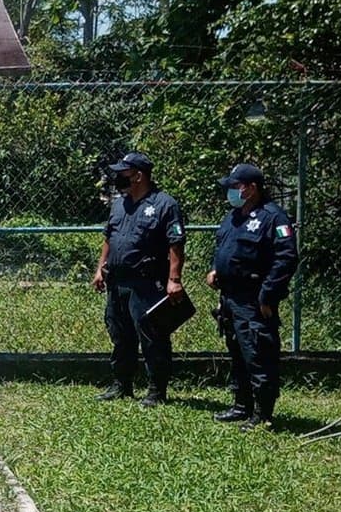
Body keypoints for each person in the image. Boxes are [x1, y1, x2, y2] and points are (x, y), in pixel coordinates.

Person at [207, 163, 298, 431]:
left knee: (258, 354)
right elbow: (224, 248)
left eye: (236, 187)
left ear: (252, 188)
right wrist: (215, 270)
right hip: (230, 298)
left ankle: (263, 413)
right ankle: (240, 405)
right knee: (238, 353)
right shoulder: (233, 217)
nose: (231, 192)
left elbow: (286, 259)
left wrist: (268, 295)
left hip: (254, 299)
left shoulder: (274, 218)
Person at [91, 152, 187, 407]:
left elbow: (176, 244)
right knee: (120, 334)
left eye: (122, 173)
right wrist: (101, 267)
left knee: (152, 336)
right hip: (117, 281)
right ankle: (122, 384)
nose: (117, 177)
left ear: (138, 175)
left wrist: (174, 279)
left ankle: (157, 390)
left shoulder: (165, 204)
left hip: (146, 283)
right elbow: (109, 238)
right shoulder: (120, 204)